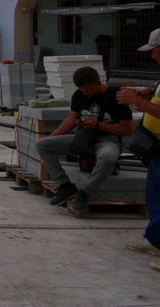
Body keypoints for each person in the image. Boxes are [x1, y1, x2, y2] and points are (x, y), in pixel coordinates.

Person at [117, 26, 160, 273]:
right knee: (157, 198)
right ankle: (155, 239)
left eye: (154, 51)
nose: (152, 57)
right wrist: (144, 92)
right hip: (159, 149)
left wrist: (137, 102)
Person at [36, 65, 133, 214]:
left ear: (97, 82)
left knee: (108, 157)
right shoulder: (79, 95)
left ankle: (85, 192)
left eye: (88, 90)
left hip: (107, 139)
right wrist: (52, 136)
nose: (85, 93)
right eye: (82, 90)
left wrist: (98, 125)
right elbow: (70, 120)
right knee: (43, 145)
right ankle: (65, 185)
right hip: (84, 138)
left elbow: (127, 129)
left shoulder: (115, 95)